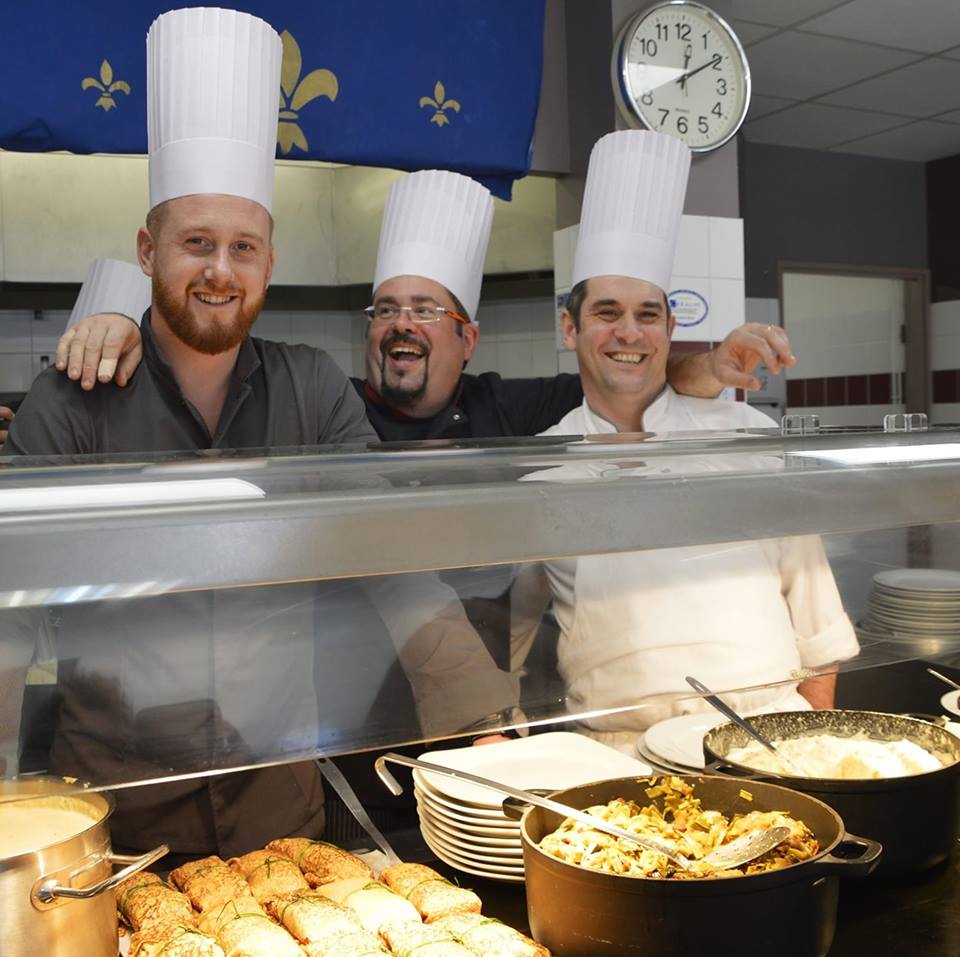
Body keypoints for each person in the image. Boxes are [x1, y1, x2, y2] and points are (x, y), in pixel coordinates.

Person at [1, 7, 516, 856]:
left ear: (270, 262)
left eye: (243, 246)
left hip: (281, 810)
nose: (219, 270)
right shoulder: (73, 401)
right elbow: (9, 616)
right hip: (119, 822)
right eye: (196, 242)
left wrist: (483, 721)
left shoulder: (312, 389)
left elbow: (390, 565)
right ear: (146, 249)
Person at [515, 129, 859, 753]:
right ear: (570, 327)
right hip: (617, 756)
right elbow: (505, 638)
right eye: (607, 312)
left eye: (649, 314)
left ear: (671, 327)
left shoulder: (747, 438)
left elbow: (818, 623)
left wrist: (812, 744)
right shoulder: (545, 469)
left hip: (769, 740)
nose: (630, 332)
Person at [54, 170, 796, 443]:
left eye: (424, 310)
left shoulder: (512, 409)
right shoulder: (319, 403)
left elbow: (625, 380)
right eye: (384, 309)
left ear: (469, 337)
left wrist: (704, 370)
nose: (401, 325)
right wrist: (120, 321)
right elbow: (207, 333)